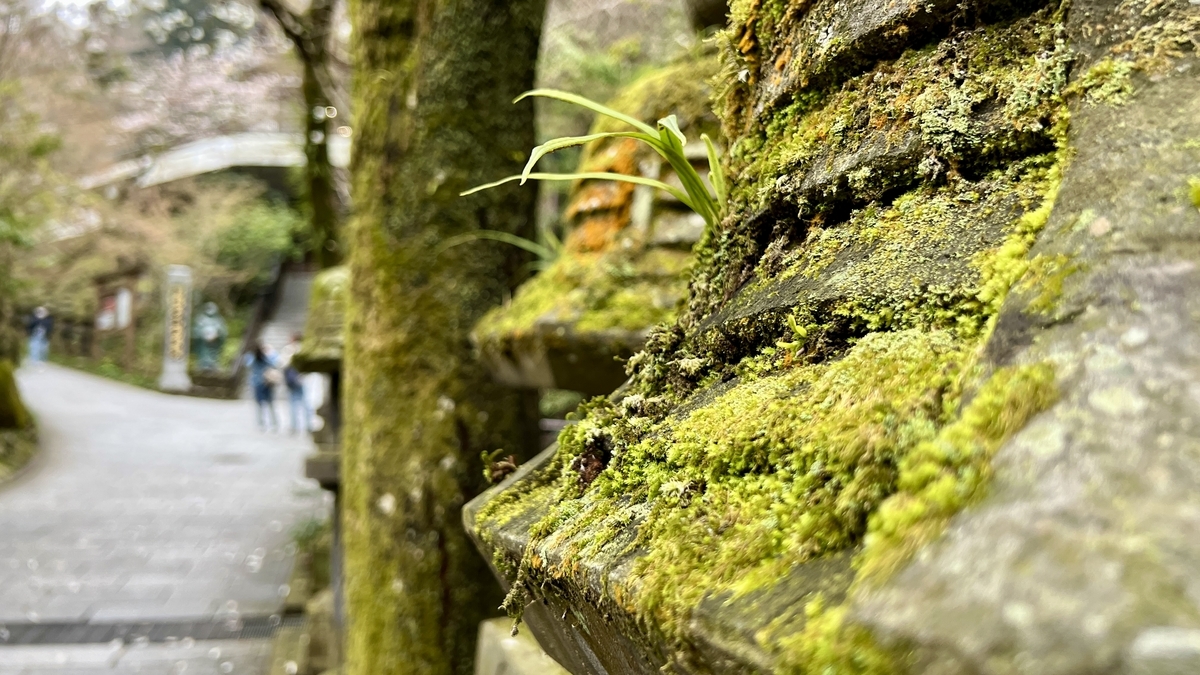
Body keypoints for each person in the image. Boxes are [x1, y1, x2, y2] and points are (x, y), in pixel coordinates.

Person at [244, 341, 281, 432]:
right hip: (262, 383)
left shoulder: (261, 357)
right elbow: (274, 363)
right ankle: (270, 424)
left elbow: (275, 363)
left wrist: (267, 354)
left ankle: (266, 424)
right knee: (267, 404)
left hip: (263, 383)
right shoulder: (255, 357)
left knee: (263, 404)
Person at [278, 333, 310, 434]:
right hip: (301, 379)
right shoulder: (303, 349)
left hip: (291, 380)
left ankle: (294, 425)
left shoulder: (288, 350)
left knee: (293, 403)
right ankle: (308, 425)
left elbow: (282, 364)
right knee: (305, 402)